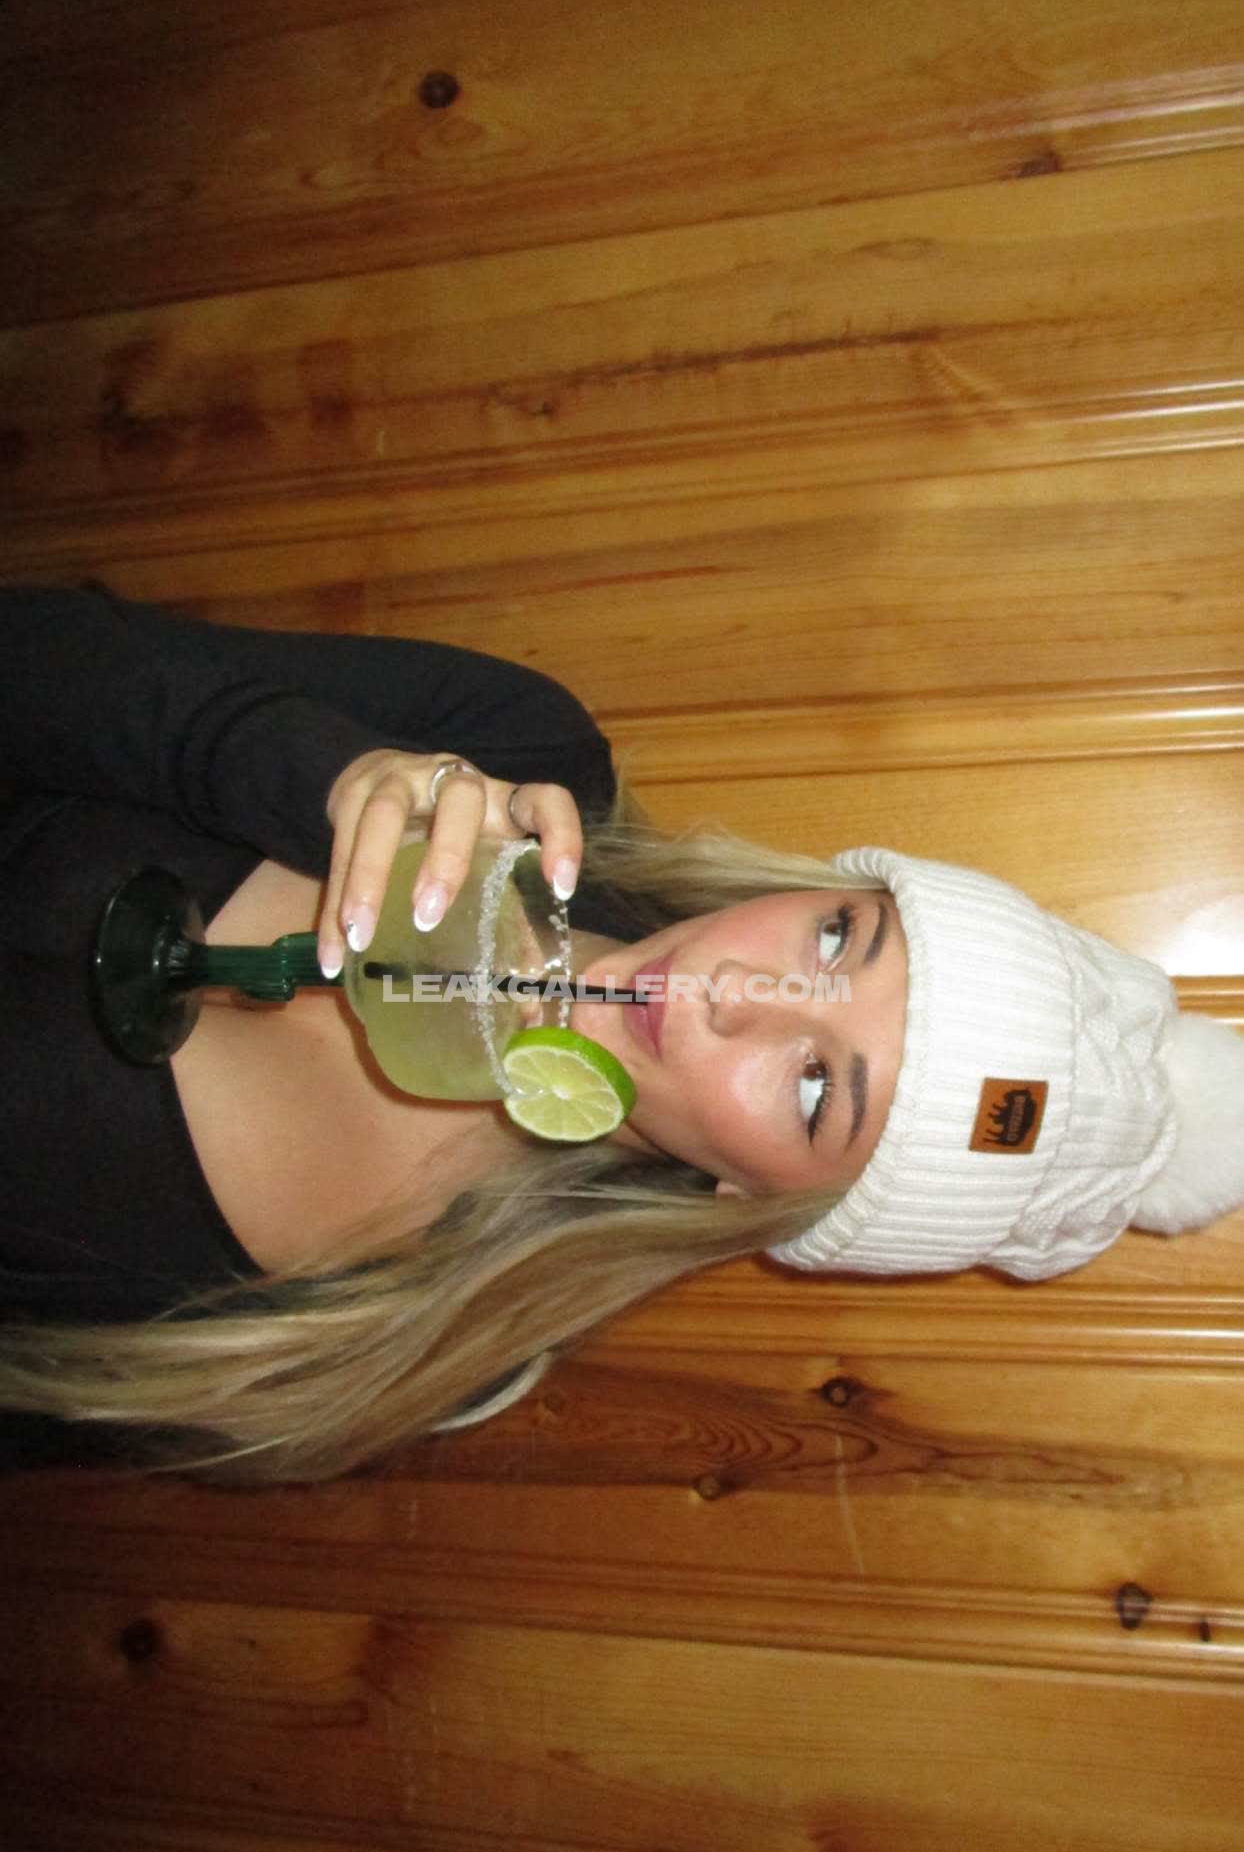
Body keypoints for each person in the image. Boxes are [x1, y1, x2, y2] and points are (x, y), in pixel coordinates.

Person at [1, 583, 1241, 1487]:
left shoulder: (391, 1343)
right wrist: (311, 771)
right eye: (834, 941)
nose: (737, 993)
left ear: (754, 1197)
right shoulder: (514, 748)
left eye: (818, 1090)